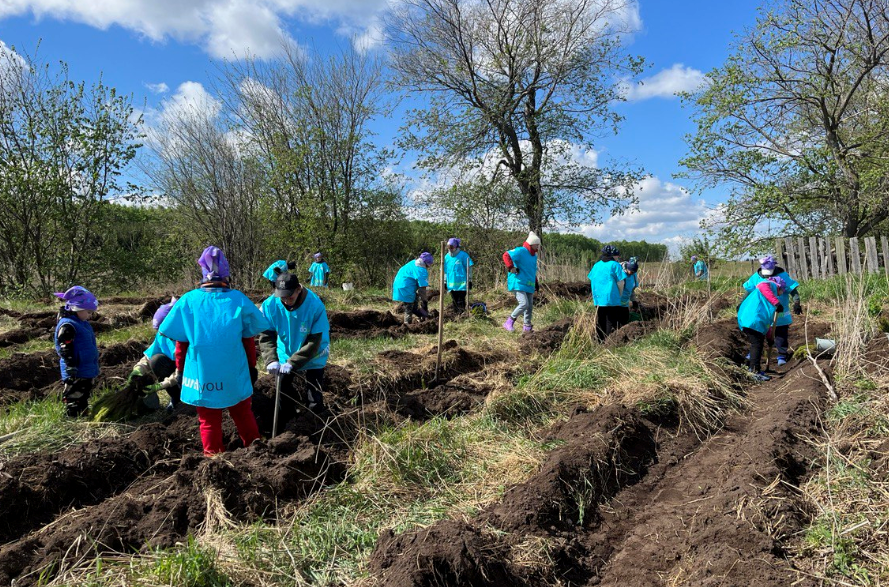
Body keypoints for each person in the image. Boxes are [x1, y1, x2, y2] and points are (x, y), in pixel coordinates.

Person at [159, 246, 270, 456]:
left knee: (208, 419)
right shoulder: (237, 299)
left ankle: (213, 458)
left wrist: (180, 370)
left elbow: (181, 344)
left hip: (202, 372)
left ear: (202, 275)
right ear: (226, 276)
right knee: (242, 411)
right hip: (233, 370)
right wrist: (251, 367)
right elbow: (248, 339)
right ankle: (255, 450)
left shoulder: (189, 301)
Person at [259, 272, 331, 425]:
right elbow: (266, 335)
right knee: (282, 388)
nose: (285, 301)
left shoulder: (315, 305)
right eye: (282, 297)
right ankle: (287, 423)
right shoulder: (270, 305)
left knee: (314, 392)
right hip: (286, 350)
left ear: (298, 289)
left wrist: (294, 363)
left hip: (313, 353)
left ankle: (315, 424)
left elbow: (314, 343)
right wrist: (271, 359)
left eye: (289, 297)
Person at [742, 255, 801, 366]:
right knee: (758, 335)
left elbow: (792, 290)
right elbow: (748, 291)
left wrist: (797, 302)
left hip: (780, 312)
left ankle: (781, 355)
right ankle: (754, 354)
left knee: (780, 333)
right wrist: (742, 304)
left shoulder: (782, 276)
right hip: (762, 312)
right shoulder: (756, 277)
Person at [125, 297, 182, 411]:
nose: (161, 334)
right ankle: (176, 399)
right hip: (176, 370)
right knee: (156, 360)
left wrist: (163, 384)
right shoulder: (163, 336)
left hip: (193, 377)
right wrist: (138, 369)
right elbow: (149, 357)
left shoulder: (188, 340)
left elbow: (185, 369)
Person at [53, 286, 100, 418]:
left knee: (84, 394)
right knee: (74, 396)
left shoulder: (81, 322)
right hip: (76, 370)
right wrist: (70, 366)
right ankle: (72, 418)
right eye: (88, 312)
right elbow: (65, 347)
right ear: (77, 308)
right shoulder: (68, 325)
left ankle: (83, 414)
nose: (90, 315)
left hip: (86, 368)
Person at [737, 275, 785, 382]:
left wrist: (769, 338)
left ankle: (753, 369)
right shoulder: (771, 285)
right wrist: (776, 303)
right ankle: (754, 372)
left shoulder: (768, 299)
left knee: (758, 343)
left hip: (753, 321)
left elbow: (767, 323)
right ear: (780, 287)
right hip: (752, 320)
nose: (782, 293)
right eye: (783, 290)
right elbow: (762, 285)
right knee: (757, 344)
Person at [502, 231, 540, 333]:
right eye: (537, 244)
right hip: (518, 282)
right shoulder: (521, 251)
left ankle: (527, 328)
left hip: (529, 284)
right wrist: (511, 267)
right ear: (532, 244)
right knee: (524, 304)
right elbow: (506, 255)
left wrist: (536, 283)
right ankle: (509, 322)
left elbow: (532, 270)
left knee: (529, 306)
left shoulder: (534, 256)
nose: (538, 247)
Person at [588, 245, 627, 341]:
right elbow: (621, 282)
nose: (618, 257)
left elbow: (592, 279)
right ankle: (609, 342)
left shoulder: (596, 265)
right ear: (613, 255)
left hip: (598, 298)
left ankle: (600, 341)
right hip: (612, 298)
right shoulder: (615, 265)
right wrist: (620, 294)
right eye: (617, 255)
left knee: (600, 320)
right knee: (611, 321)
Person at [392, 252, 434, 324]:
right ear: (427, 264)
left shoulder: (413, 262)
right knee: (409, 307)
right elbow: (422, 290)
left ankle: (421, 315)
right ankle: (407, 326)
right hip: (406, 287)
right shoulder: (422, 270)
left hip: (398, 285)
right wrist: (425, 303)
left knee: (414, 302)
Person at [443, 238, 474, 313]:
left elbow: (469, 268)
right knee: (454, 300)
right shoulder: (446, 257)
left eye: (452, 247)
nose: (450, 249)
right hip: (451, 284)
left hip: (462, 284)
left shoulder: (463, 255)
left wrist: (469, 280)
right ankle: (456, 316)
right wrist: (445, 281)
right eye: (449, 247)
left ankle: (462, 315)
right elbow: (445, 271)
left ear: (456, 247)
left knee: (461, 300)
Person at [619, 257, 640, 324]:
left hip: (625, 304)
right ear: (627, 267)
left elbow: (631, 290)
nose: (632, 273)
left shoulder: (633, 275)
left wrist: (634, 300)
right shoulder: (620, 273)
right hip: (616, 304)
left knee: (625, 319)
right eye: (631, 271)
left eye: (634, 272)